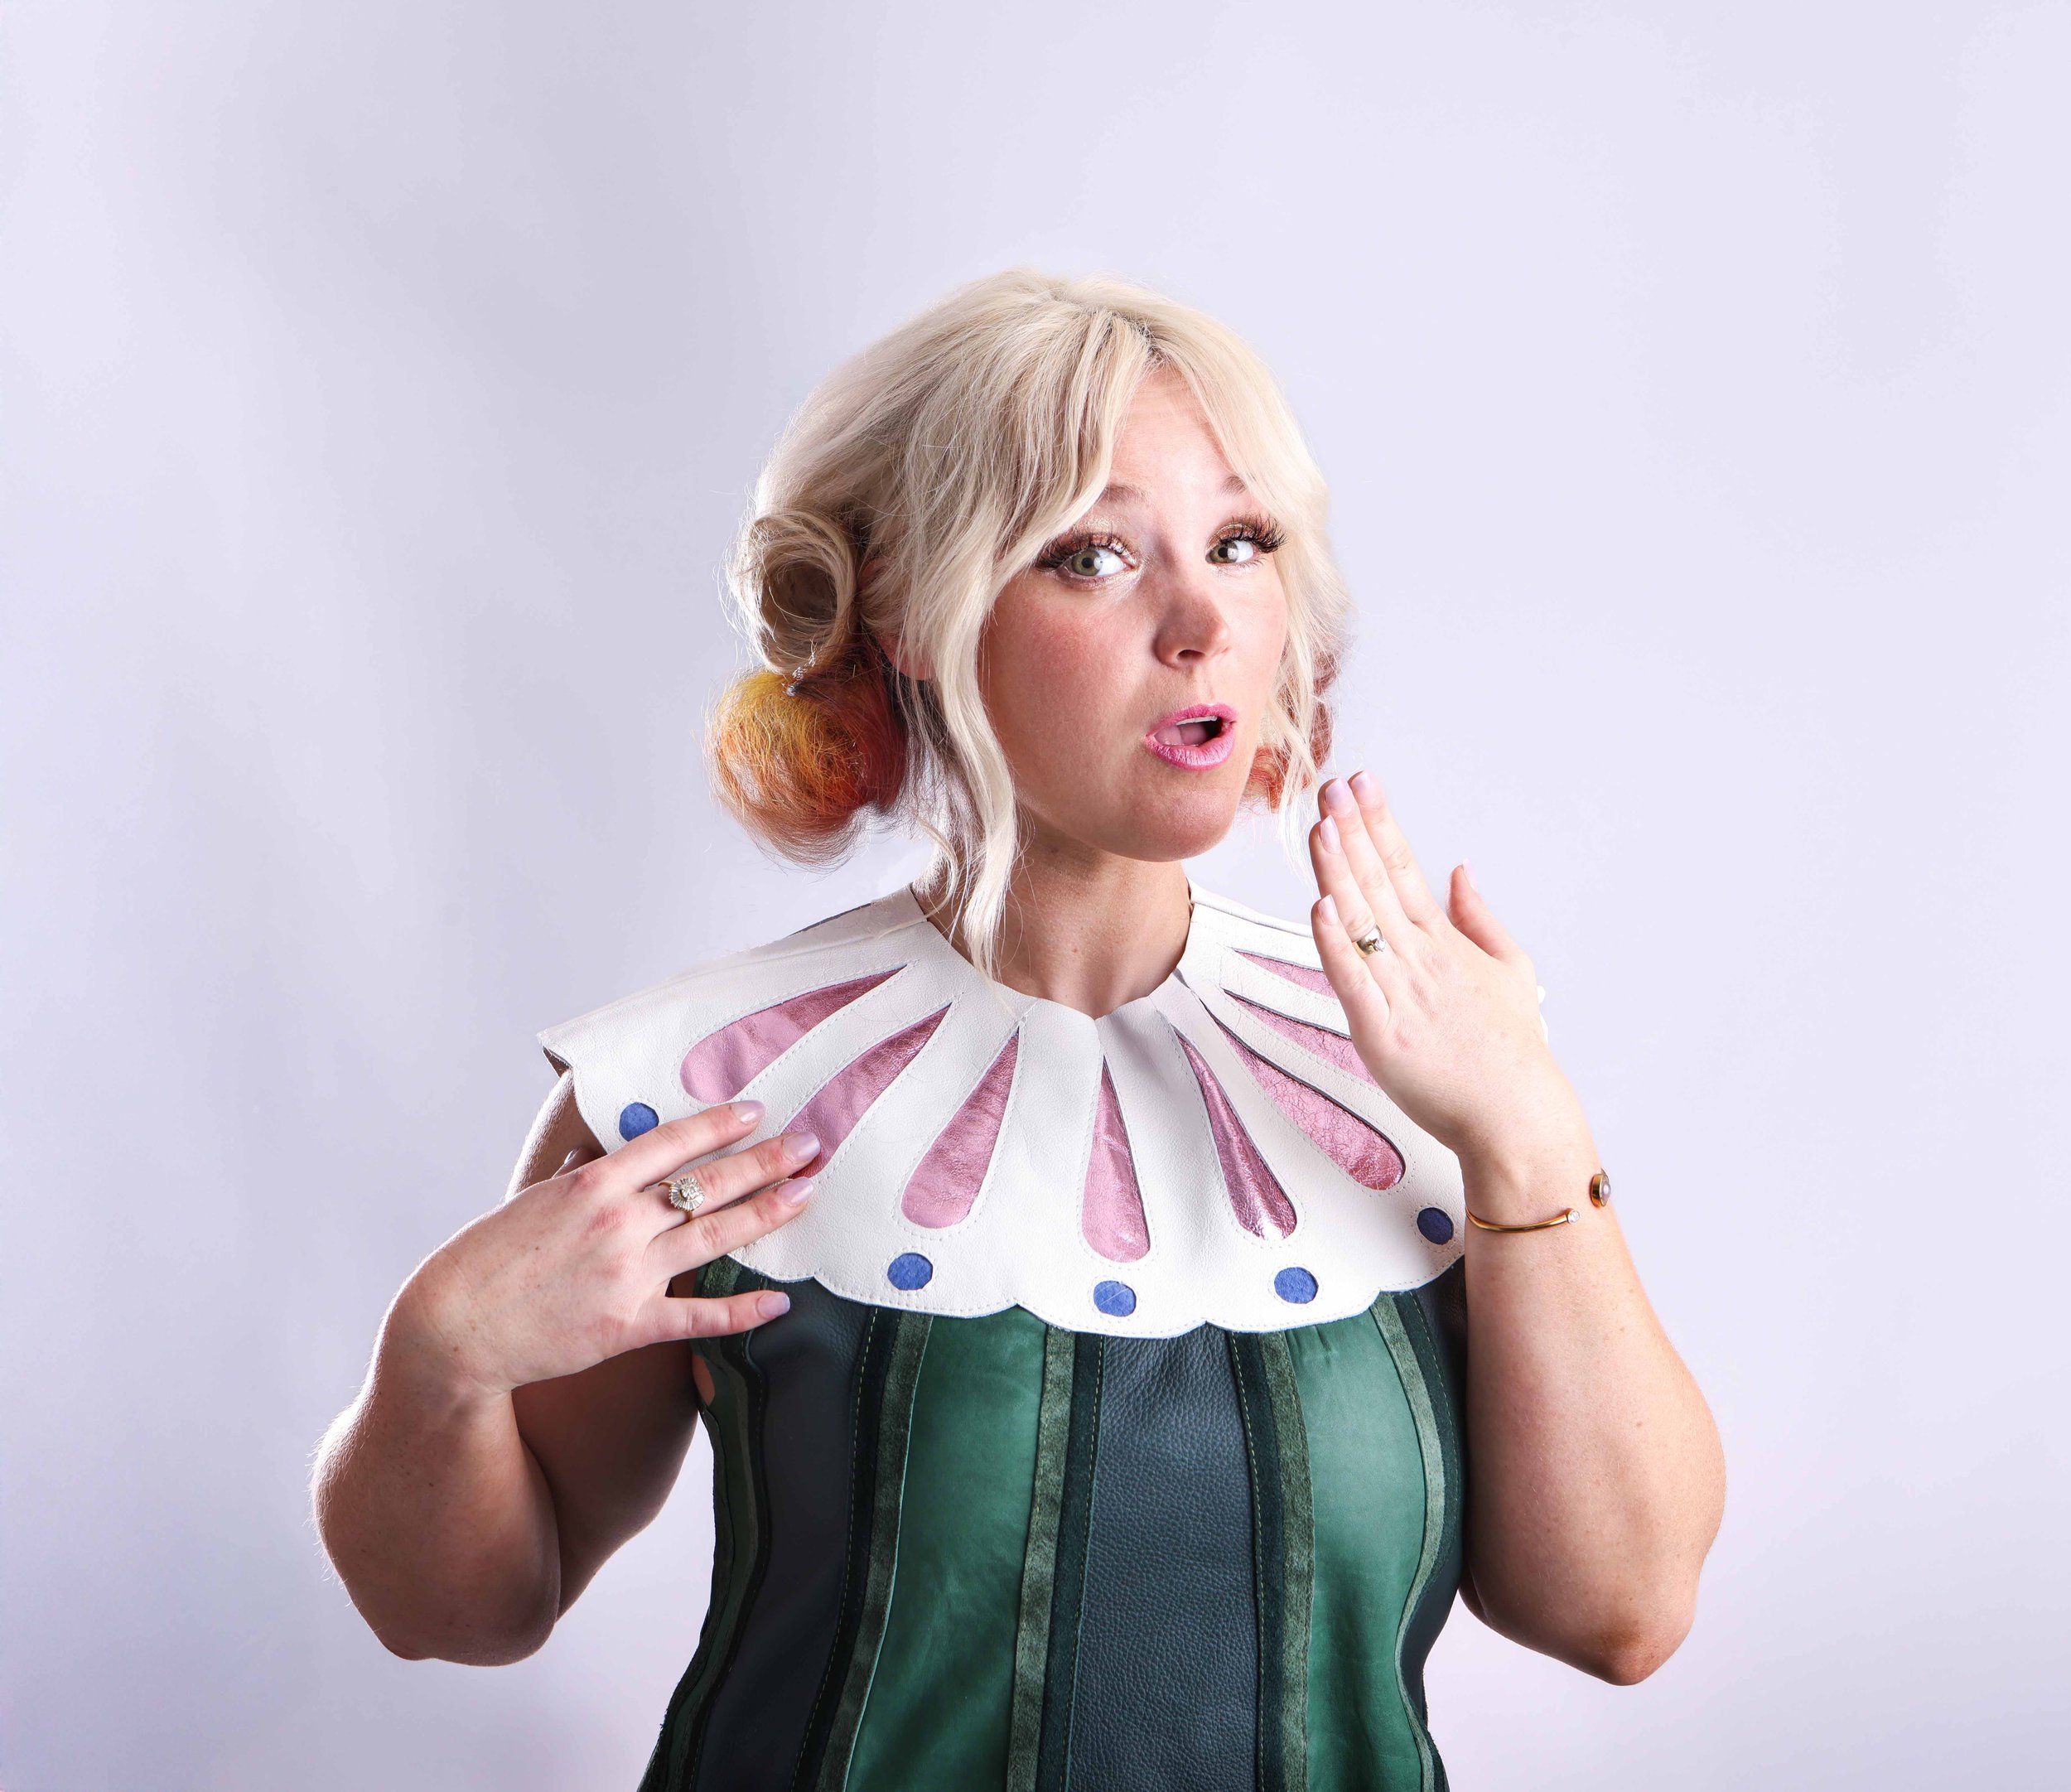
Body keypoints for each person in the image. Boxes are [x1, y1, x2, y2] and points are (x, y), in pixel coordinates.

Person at [311, 269, 1726, 1792]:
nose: (1202, 623)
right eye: (1094, 554)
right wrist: (437, 1366)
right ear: (919, 619)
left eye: (1242, 544)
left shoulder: (1423, 1066)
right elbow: (461, 1611)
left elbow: (1620, 1616)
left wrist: (1531, 1137)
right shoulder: (708, 1089)